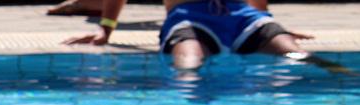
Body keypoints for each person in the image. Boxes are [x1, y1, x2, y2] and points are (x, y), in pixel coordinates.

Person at [63, 0, 312, 71]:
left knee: (300, 56)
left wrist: (268, 24)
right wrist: (105, 29)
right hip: (190, 18)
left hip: (243, 17)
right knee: (188, 66)